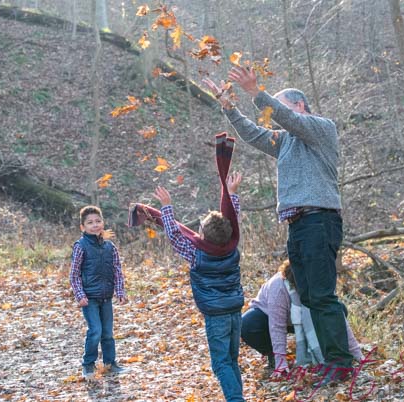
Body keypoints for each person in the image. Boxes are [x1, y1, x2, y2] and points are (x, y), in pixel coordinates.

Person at [204, 67, 353, 385]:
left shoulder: (321, 128)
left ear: (299, 106)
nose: (275, 116)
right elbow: (252, 134)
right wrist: (229, 107)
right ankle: (328, 360)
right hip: (297, 225)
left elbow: (286, 119)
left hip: (319, 220)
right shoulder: (284, 141)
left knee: (322, 295)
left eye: (280, 107)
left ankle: (341, 363)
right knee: (309, 296)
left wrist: (255, 92)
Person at [129, 133, 244, 402]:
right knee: (231, 360)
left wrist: (166, 207)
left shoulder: (196, 254)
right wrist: (232, 195)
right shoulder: (232, 247)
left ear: (201, 235)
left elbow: (174, 235)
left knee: (221, 363)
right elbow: (233, 219)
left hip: (216, 316)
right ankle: (237, 396)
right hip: (235, 311)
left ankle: (236, 399)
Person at [241, 260, 362, 379]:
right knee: (247, 324)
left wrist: (356, 353)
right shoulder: (278, 287)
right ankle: (272, 354)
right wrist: (280, 361)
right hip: (268, 317)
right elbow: (277, 326)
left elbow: (338, 316)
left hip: (305, 318)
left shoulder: (319, 281)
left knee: (338, 310)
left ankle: (326, 349)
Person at [69, 205, 127, 378]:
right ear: (83, 227)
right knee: (95, 331)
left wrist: (120, 291)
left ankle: (110, 364)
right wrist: (80, 295)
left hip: (106, 297)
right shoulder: (80, 246)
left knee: (107, 333)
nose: (95, 225)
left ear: (103, 223)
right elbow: (74, 274)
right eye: (90, 222)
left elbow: (117, 270)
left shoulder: (110, 247)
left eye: (98, 221)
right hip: (89, 298)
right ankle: (88, 364)